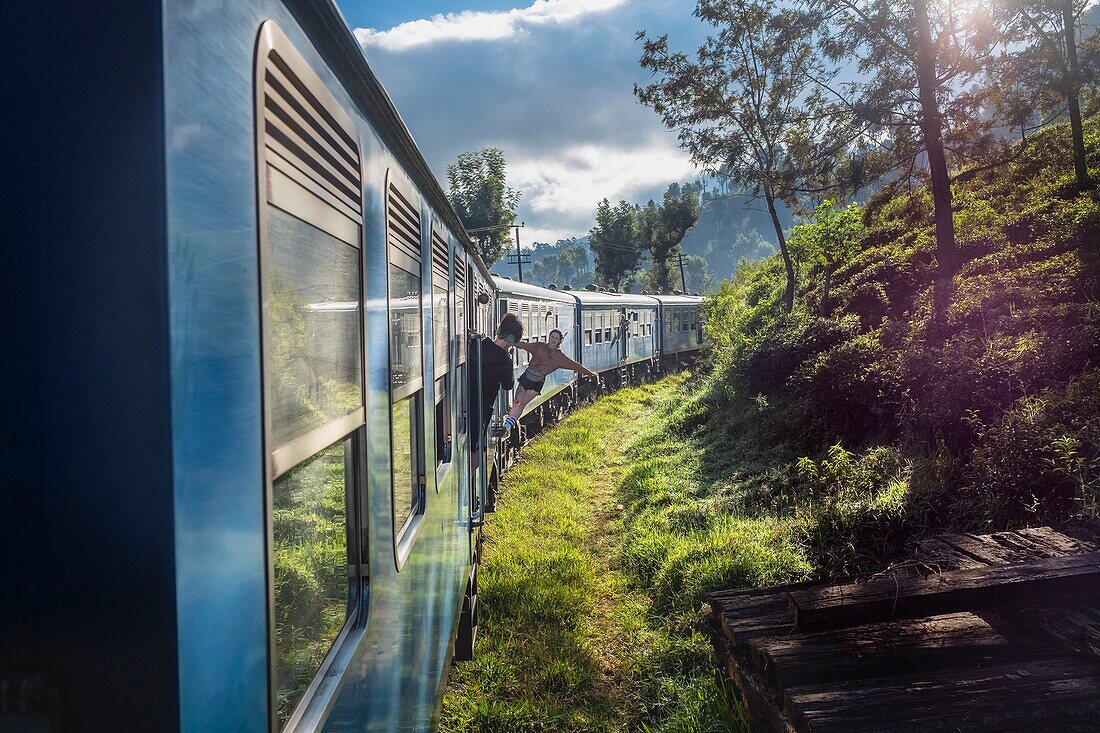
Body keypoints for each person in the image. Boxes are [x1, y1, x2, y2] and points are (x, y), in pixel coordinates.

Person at [492, 329, 600, 436]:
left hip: (537, 383)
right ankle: (507, 426)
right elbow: (524, 345)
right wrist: (507, 341)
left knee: (521, 404)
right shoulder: (539, 346)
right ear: (549, 337)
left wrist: (589, 373)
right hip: (526, 377)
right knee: (516, 403)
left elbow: (575, 365)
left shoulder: (560, 357)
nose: (553, 340)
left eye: (556, 338)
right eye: (552, 337)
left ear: (559, 341)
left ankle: (506, 427)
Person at [470, 313, 523, 454]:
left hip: (462, 403)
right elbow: (508, 385)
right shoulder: (504, 360)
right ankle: (473, 476)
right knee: (475, 451)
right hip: (481, 408)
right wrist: (509, 359)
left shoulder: (475, 345)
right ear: (511, 340)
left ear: (499, 332)